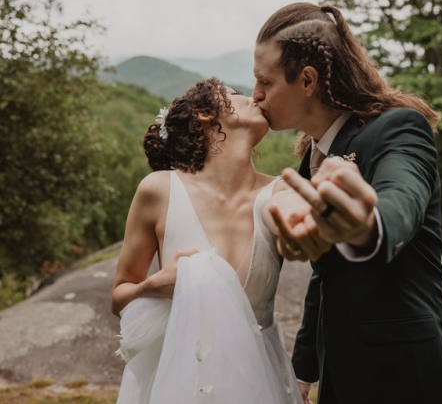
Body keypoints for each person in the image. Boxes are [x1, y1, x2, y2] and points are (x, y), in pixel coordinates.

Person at [252, 3, 442, 404]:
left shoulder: (398, 127)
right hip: (342, 375)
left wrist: (365, 227)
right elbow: (325, 274)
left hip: (408, 373)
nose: (256, 95)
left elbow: (401, 201)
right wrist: (305, 368)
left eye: (265, 81)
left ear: (307, 80)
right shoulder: (309, 160)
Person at [110, 78, 303, 404]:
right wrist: (153, 286)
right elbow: (119, 297)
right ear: (203, 113)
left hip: (262, 381)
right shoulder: (159, 190)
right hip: (180, 381)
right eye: (236, 94)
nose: (253, 97)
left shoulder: (281, 193)